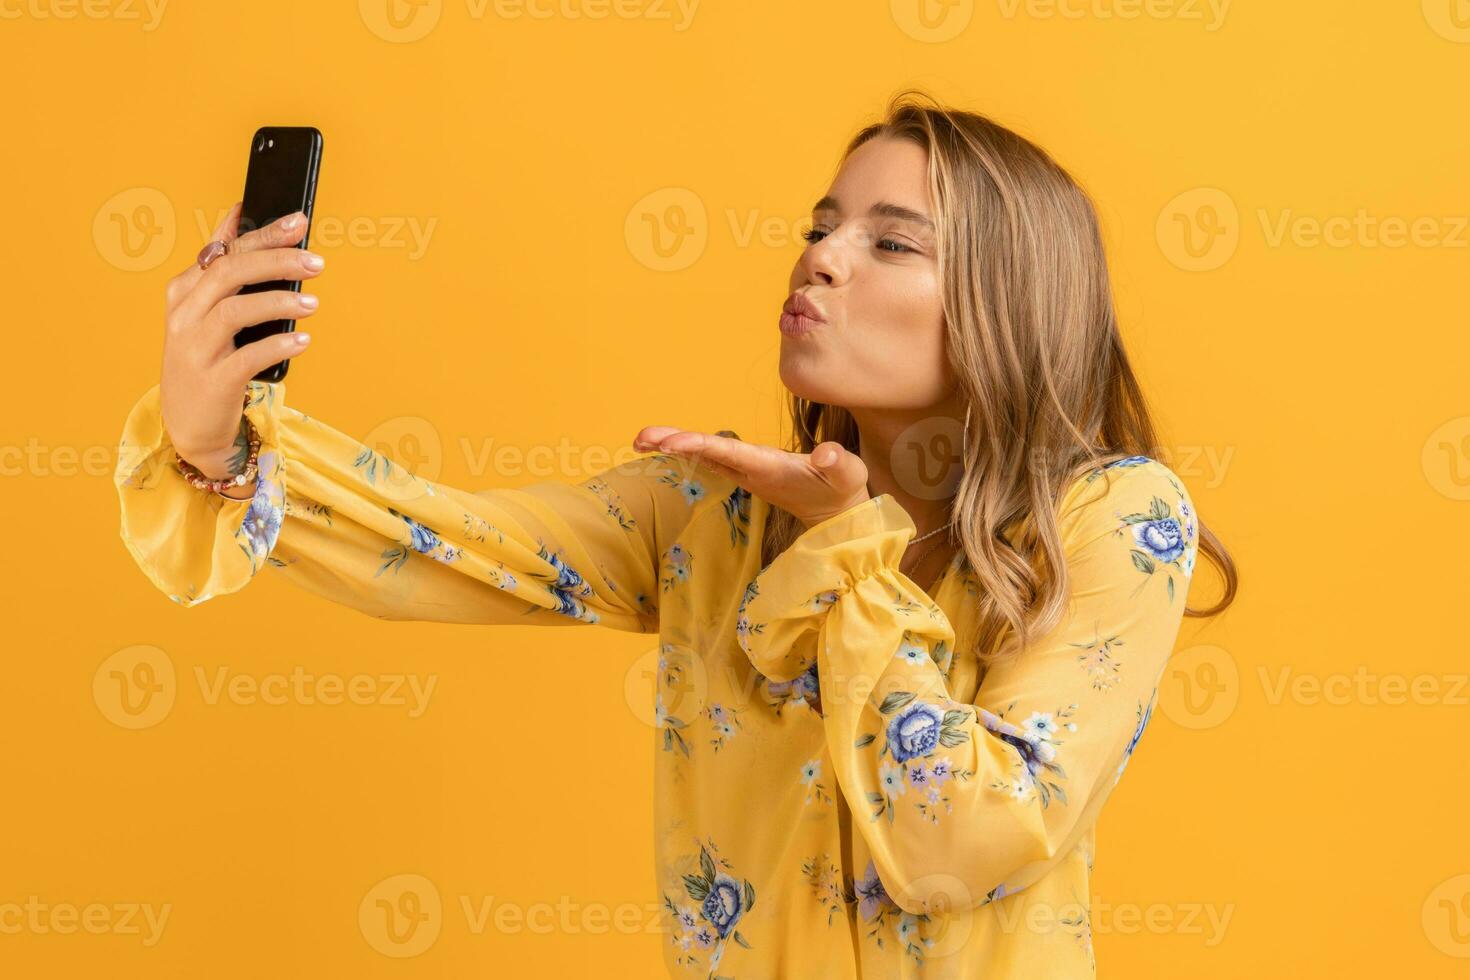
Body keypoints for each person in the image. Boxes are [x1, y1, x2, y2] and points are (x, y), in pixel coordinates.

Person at [114, 90, 1237, 978]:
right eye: (820, 226)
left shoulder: (1111, 518)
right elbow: (443, 537)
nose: (822, 258)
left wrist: (844, 542)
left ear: (1012, 299)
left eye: (893, 245)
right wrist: (214, 440)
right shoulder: (712, 515)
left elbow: (963, 836)